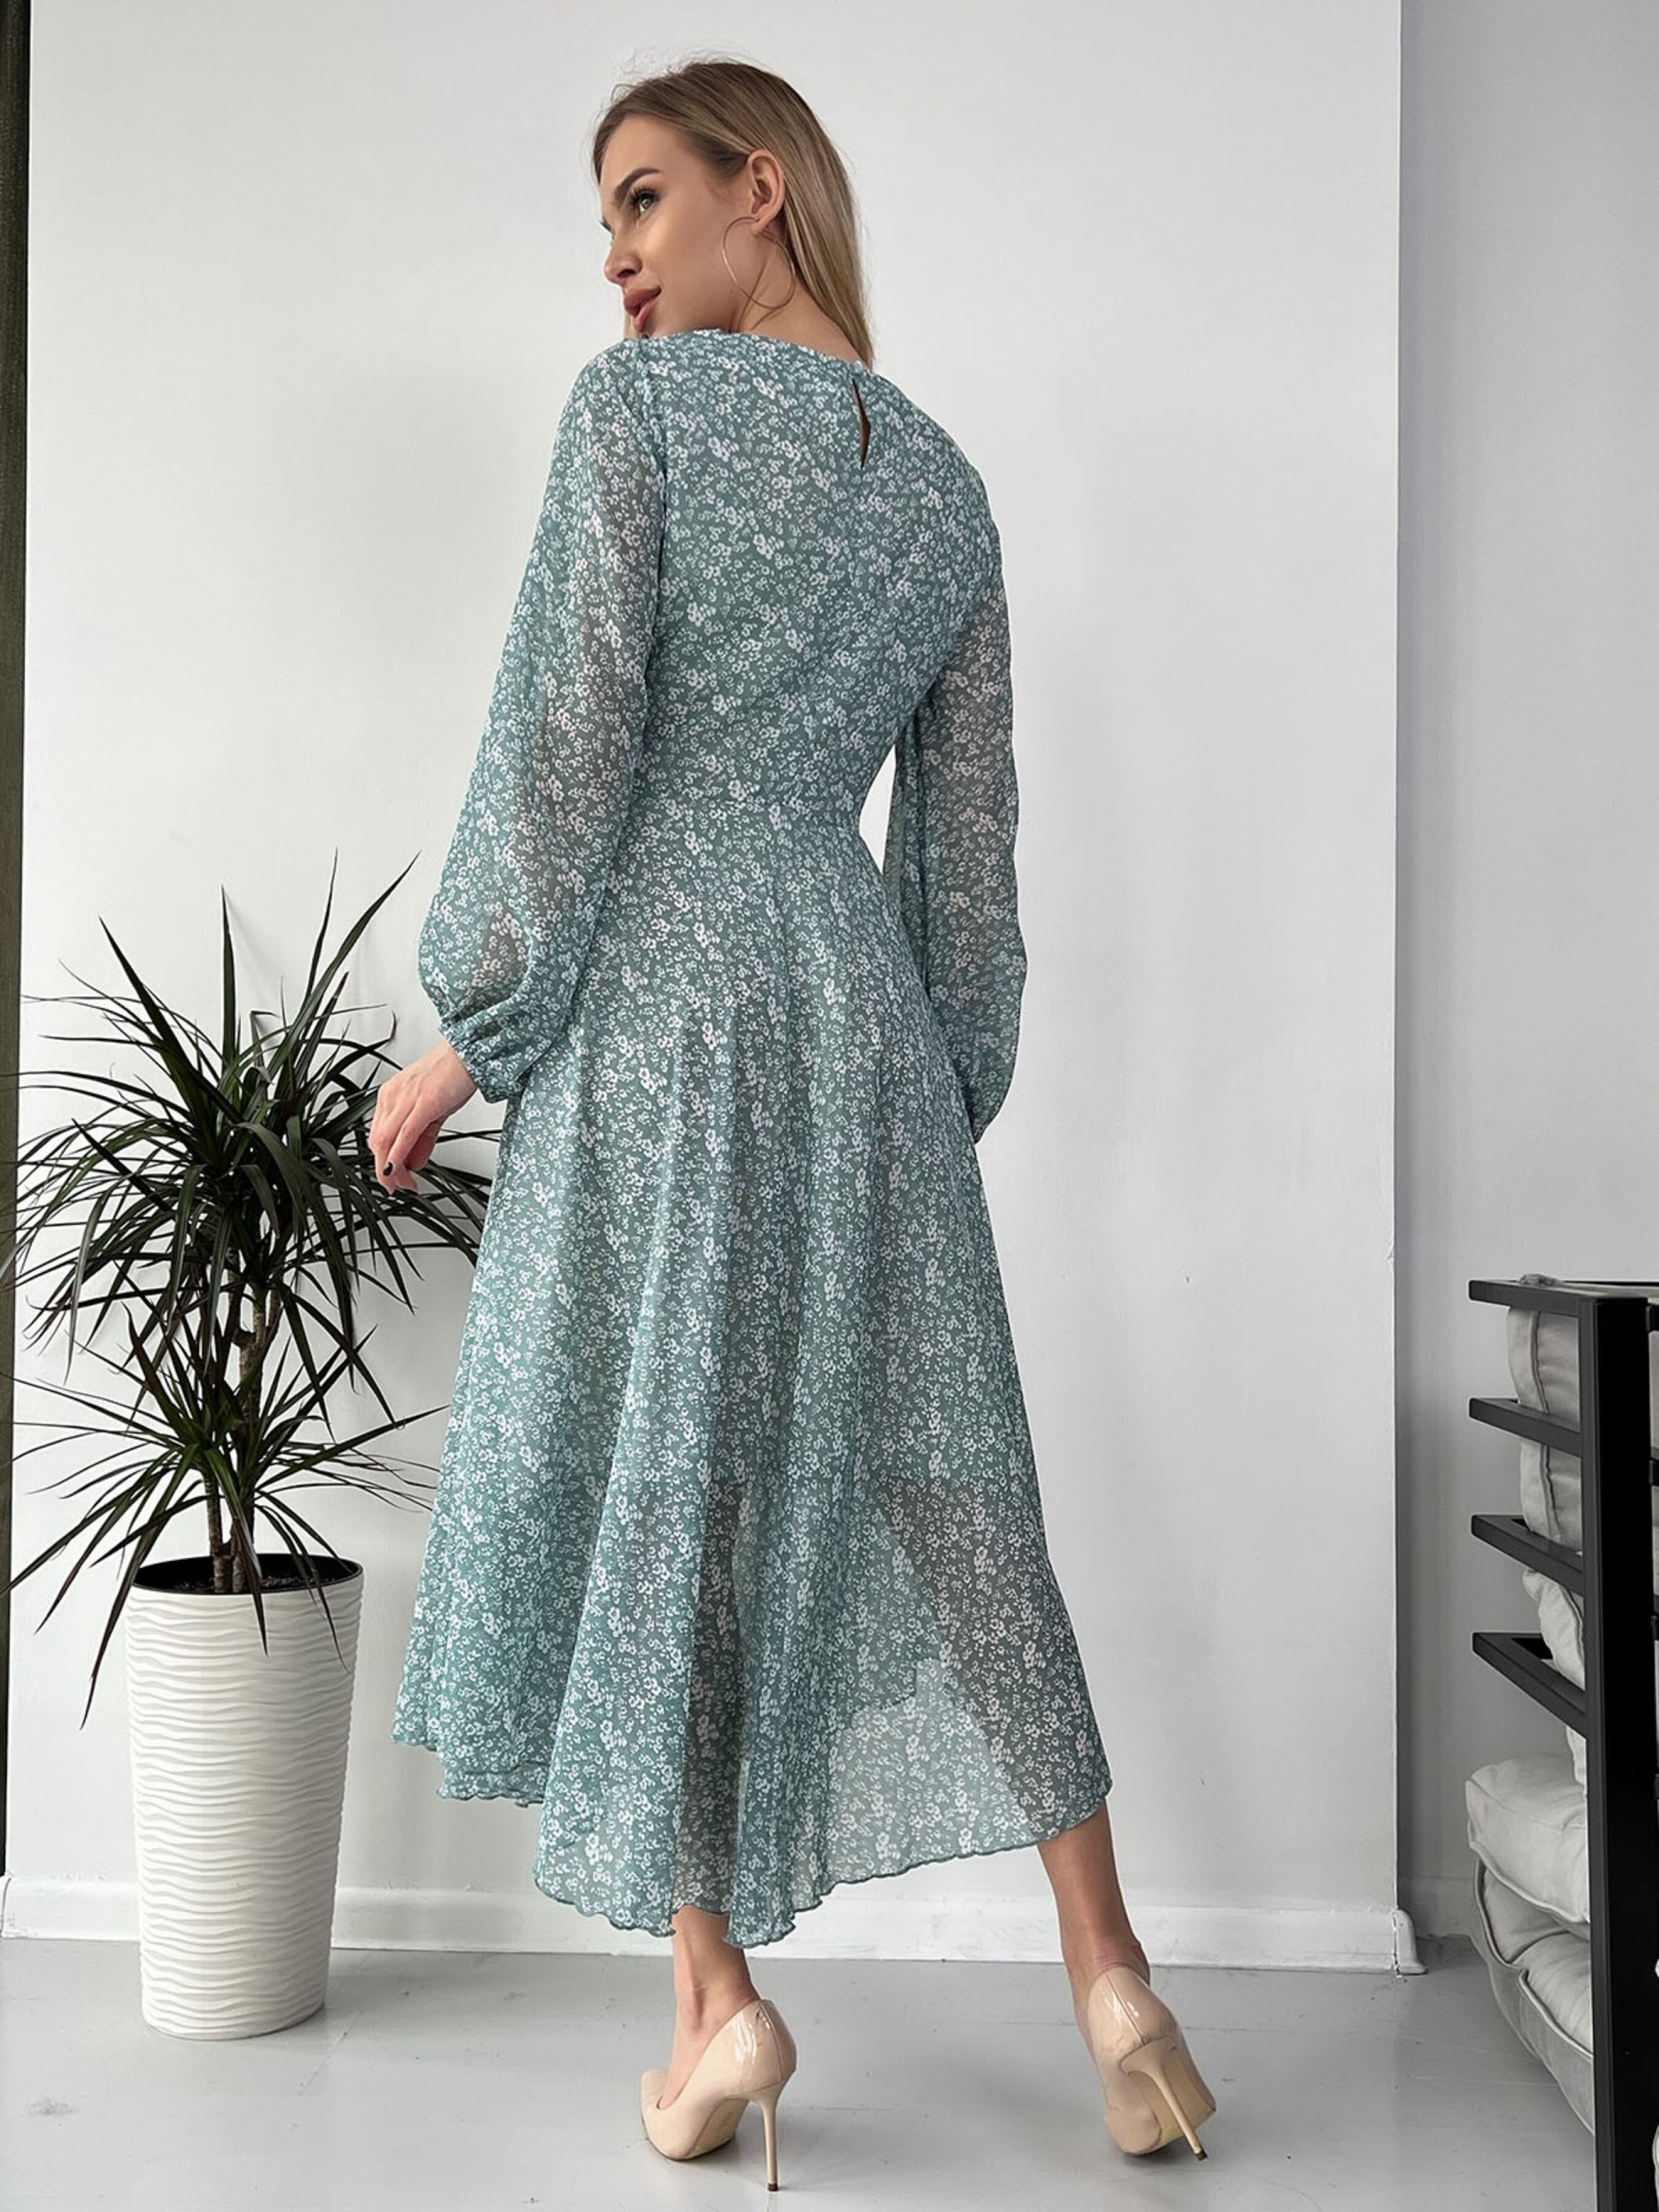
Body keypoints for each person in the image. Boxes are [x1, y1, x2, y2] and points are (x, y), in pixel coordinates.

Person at [370, 55, 1216, 2184]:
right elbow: (968, 863)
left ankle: (714, 2008)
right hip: (861, 1016)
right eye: (603, 221)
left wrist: (471, 1031)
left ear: (764, 189)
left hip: (656, 998)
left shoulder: (633, 417)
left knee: (670, 1476)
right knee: (954, 1479)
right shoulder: (943, 492)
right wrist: (931, 1088)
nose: (616, 257)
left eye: (644, 200)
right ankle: (1113, 1973)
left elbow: (567, 739)